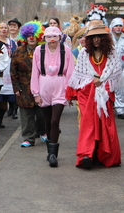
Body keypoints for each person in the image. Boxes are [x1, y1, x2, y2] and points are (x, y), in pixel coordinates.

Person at [66, 22, 123, 169]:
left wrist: (102, 81)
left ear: (104, 38)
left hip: (105, 95)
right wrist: (93, 82)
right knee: (88, 124)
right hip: (87, 93)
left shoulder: (112, 53)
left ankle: (104, 155)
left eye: (99, 36)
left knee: (105, 125)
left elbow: (116, 74)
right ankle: (87, 155)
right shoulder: (84, 53)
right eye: (93, 37)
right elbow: (79, 74)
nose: (96, 39)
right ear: (89, 39)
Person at [31, 26, 75, 167]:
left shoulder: (66, 50)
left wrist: (70, 92)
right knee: (48, 121)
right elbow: (35, 73)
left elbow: (70, 71)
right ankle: (49, 150)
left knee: (55, 121)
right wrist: (36, 93)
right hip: (44, 85)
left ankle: (53, 154)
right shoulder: (39, 50)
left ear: (59, 38)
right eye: (49, 37)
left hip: (60, 85)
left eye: (55, 37)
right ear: (44, 38)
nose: (52, 40)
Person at [11, 21, 46, 147]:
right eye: (29, 35)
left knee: (42, 113)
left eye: (34, 35)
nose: (31, 38)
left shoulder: (44, 51)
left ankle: (43, 132)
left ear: (39, 36)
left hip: (42, 87)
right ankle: (28, 138)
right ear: (25, 37)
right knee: (26, 115)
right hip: (24, 88)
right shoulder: (18, 52)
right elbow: (13, 71)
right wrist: (16, 87)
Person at [0, 21, 17, 128]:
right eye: (1, 28)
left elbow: (16, 56)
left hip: (8, 73)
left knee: (4, 98)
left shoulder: (12, 42)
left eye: (5, 28)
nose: (4, 30)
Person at [7, 17, 22, 118]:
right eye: (11, 26)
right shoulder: (6, 39)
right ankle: (10, 106)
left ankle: (15, 108)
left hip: (18, 65)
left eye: (15, 26)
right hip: (7, 66)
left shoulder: (21, 40)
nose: (12, 28)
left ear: (18, 28)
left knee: (16, 86)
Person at [109, 18, 124, 119]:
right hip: (109, 69)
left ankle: (120, 109)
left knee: (121, 89)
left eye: (120, 26)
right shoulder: (108, 39)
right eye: (116, 26)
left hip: (121, 68)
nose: (118, 28)